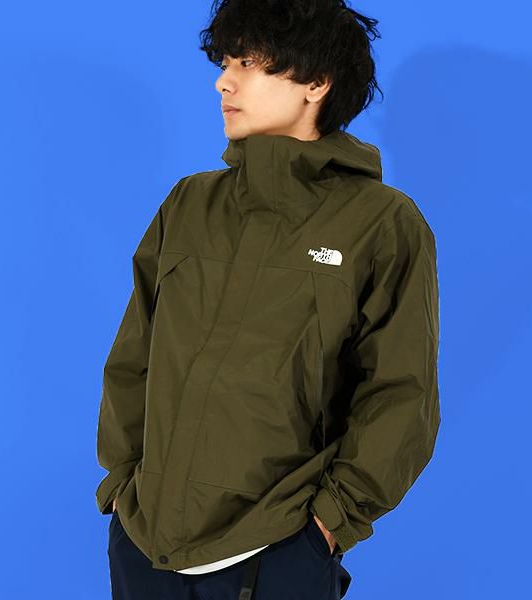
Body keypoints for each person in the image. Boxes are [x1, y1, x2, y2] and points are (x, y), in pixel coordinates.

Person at [95, 1, 441, 598]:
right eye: (226, 63)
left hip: (276, 549)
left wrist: (329, 523)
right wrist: (123, 489)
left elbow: (401, 394)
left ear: (316, 82)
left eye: (248, 63)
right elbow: (134, 358)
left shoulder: (383, 223)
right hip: (145, 547)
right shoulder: (189, 204)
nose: (223, 81)